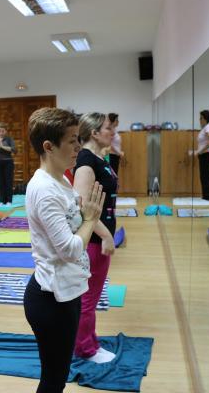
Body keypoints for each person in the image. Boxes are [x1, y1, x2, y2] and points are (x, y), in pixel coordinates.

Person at [23, 107, 105, 393]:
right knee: (53, 379)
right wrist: (92, 218)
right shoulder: (44, 190)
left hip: (64, 292)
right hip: (50, 300)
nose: (78, 147)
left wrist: (91, 220)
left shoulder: (62, 179)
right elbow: (71, 249)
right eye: (72, 140)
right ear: (49, 146)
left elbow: (74, 222)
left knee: (58, 374)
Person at [73, 112, 118, 363]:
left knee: (93, 295)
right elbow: (81, 207)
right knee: (88, 297)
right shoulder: (86, 161)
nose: (112, 131)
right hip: (92, 239)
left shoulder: (99, 158)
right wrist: (106, 236)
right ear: (94, 133)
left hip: (99, 236)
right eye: (108, 127)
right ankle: (84, 349)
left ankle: (89, 340)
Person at [194, 110, 209, 201]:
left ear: (205, 119)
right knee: (203, 175)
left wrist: (200, 151)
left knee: (206, 176)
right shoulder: (204, 128)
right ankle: (206, 195)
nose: (199, 119)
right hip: (203, 155)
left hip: (207, 155)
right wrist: (199, 151)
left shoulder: (208, 127)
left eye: (201, 118)